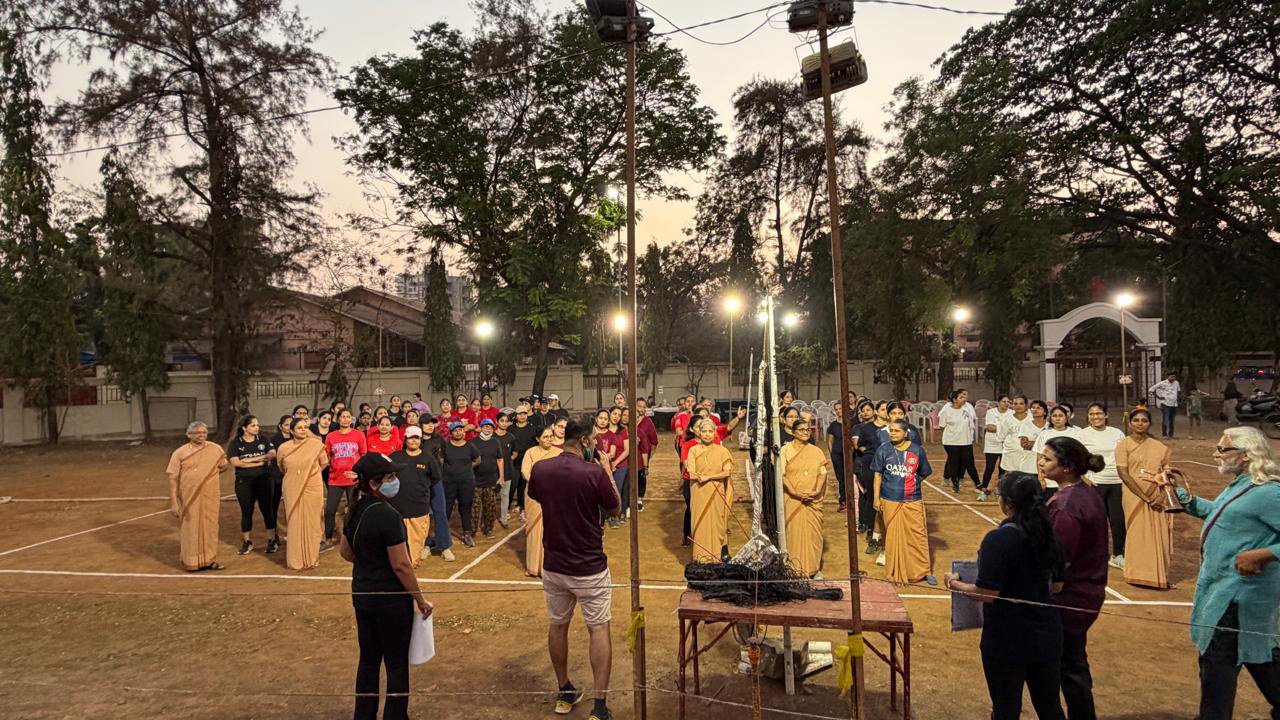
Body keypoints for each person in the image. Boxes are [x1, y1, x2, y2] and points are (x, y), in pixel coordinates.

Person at [1158, 426, 1280, 720]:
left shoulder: (1269, 492)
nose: (1216, 454)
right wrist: (1180, 496)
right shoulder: (1243, 485)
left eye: (1222, 449)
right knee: (1257, 657)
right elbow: (1222, 515)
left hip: (1239, 597)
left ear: (1246, 455)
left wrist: (1262, 554)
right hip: (1226, 590)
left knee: (1217, 665)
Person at [944, 472, 1066, 720]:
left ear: (1008, 503)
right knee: (1050, 707)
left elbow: (986, 593)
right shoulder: (1051, 536)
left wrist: (955, 584)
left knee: (1005, 709)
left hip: (1007, 638)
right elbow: (1057, 587)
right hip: (1046, 635)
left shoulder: (999, 539)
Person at [528, 420, 621, 720]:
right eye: (593, 439)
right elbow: (615, 508)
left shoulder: (541, 469)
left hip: (554, 565)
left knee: (558, 625)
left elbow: (537, 495)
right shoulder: (593, 472)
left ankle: (564, 689)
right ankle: (599, 707)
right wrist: (606, 469)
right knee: (599, 628)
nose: (596, 443)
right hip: (589, 566)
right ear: (583, 442)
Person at [339, 452, 433, 720]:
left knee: (368, 660)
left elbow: (346, 552)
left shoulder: (353, 509)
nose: (395, 481)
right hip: (391, 601)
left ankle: (364, 715)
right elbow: (401, 565)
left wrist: (369, 561)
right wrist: (420, 599)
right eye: (390, 477)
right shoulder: (388, 515)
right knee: (396, 663)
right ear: (373, 483)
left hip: (363, 595)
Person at [1041, 437, 1109, 720]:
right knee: (1073, 663)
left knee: (1068, 667)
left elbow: (1059, 560)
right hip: (1086, 590)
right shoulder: (1084, 492)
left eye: (1047, 459)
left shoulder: (1067, 506)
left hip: (1071, 596)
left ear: (1067, 467)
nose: (1041, 463)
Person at [871, 418, 936, 584]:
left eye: (897, 431)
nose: (892, 433)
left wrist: (911, 482)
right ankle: (895, 570)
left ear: (906, 433)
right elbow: (877, 475)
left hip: (912, 499)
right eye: (891, 430)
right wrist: (876, 498)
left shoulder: (917, 451)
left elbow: (924, 473)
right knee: (893, 537)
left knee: (917, 536)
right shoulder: (883, 449)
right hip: (889, 499)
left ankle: (923, 571)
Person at [1115, 408, 1173, 589]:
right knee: (1136, 533)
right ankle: (1136, 574)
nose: (1140, 424)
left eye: (1144, 421)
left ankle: (1158, 575)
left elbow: (1168, 473)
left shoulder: (1158, 446)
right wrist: (1146, 499)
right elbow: (1123, 474)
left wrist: (1161, 496)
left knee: (1158, 534)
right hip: (1134, 496)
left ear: (1149, 424)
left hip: (1158, 496)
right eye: (1136, 420)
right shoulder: (1123, 445)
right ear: (1130, 423)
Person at [165, 421, 228, 572]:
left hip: (211, 495)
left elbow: (223, 465)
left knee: (210, 526)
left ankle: (209, 560)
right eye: (198, 433)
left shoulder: (215, 449)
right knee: (191, 527)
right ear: (189, 434)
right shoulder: (180, 453)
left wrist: (208, 476)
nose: (201, 435)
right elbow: (172, 478)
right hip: (189, 496)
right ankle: (191, 561)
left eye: (204, 432)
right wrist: (174, 502)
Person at [1078, 403, 1127, 569]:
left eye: (1099, 413)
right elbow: (1076, 458)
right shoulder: (1082, 434)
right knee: (1096, 521)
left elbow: (1124, 455)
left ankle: (1118, 554)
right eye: (1091, 414)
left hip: (1117, 482)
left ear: (1106, 415)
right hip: (1095, 483)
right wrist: (1084, 478)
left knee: (1118, 520)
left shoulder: (1117, 433)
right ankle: (1096, 555)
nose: (1095, 417)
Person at [277, 417, 328, 570]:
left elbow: (324, 462)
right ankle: (296, 560)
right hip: (292, 486)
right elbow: (282, 467)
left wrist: (310, 474)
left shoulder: (316, 445)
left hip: (313, 486)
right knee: (294, 520)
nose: (303, 430)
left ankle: (311, 558)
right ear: (291, 431)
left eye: (305, 427)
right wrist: (297, 476)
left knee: (313, 520)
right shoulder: (283, 448)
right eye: (299, 428)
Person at [781, 418, 829, 578]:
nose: (806, 432)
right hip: (793, 499)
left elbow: (822, 473)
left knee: (814, 534)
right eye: (801, 430)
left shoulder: (816, 451)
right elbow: (782, 475)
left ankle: (813, 569)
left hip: (813, 499)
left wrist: (816, 491)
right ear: (793, 432)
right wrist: (794, 492)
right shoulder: (785, 450)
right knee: (793, 533)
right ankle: (794, 568)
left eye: (808, 430)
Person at [226, 415, 279, 555]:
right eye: (253, 425)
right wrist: (260, 462)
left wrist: (248, 460)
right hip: (244, 482)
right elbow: (236, 463)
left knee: (267, 510)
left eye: (257, 425)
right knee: (246, 511)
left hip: (264, 480)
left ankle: (272, 540)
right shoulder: (235, 443)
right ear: (244, 428)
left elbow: (272, 454)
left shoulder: (263, 439)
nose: (257, 428)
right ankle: (247, 542)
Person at [686, 417, 736, 563]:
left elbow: (727, 472)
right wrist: (702, 477)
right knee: (699, 524)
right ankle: (700, 558)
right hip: (699, 492)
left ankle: (716, 556)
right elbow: (691, 473)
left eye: (710, 431)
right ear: (699, 433)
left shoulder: (723, 451)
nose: (707, 434)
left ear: (715, 432)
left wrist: (708, 477)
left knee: (717, 524)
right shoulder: (693, 450)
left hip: (717, 492)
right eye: (704, 431)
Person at [389, 426, 436, 569]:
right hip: (397, 507)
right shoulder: (395, 457)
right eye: (411, 438)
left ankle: (410, 566)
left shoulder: (428, 458)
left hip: (419, 507)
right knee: (397, 541)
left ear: (420, 440)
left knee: (416, 543)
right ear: (405, 439)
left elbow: (435, 478)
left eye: (416, 438)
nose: (414, 441)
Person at [521, 426, 563, 577]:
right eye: (545, 437)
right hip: (534, 494)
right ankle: (533, 567)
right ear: (537, 439)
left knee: (553, 529)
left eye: (551, 436)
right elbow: (525, 471)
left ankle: (551, 567)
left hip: (554, 495)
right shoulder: (530, 452)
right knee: (534, 529)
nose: (549, 439)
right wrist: (538, 484)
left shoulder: (559, 453)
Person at [325, 410, 367, 547]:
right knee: (330, 510)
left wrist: (359, 474)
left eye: (348, 417)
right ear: (338, 419)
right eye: (343, 417)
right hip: (335, 479)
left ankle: (354, 537)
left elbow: (363, 455)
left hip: (353, 479)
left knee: (354, 509)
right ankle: (328, 538)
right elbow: (327, 457)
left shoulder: (359, 435)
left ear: (351, 419)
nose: (345, 419)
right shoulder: (331, 436)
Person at [420, 416, 455, 562]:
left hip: (436, 481)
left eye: (432, 423)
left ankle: (445, 546)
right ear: (420, 425)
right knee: (423, 514)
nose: (430, 426)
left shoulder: (439, 439)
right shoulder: (415, 440)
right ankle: (426, 545)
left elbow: (444, 459)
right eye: (426, 423)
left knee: (440, 512)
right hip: (420, 482)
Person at [852, 401, 886, 550]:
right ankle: (873, 530)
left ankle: (885, 531)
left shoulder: (893, 428)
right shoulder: (866, 428)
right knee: (873, 497)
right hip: (870, 466)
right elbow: (859, 445)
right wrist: (871, 453)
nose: (886, 412)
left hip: (888, 467)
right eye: (883, 409)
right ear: (876, 412)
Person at [442, 420, 481, 548]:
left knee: (465, 507)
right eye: (455, 430)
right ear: (451, 433)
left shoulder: (470, 446)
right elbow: (441, 461)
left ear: (463, 432)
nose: (458, 432)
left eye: (460, 430)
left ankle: (467, 534)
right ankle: (443, 533)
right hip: (449, 482)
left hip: (466, 482)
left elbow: (478, 460)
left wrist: (467, 468)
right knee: (447, 507)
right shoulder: (446, 446)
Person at [1033, 406, 1080, 499]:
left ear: (1066, 418)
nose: (1057, 418)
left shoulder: (1076, 433)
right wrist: (1041, 478)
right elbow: (1039, 457)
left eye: (1060, 416)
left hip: (1070, 480)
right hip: (1050, 481)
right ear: (1050, 418)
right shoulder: (1044, 434)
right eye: (1054, 416)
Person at [938, 388, 980, 493]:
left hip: (966, 442)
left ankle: (978, 484)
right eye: (961, 397)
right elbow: (942, 426)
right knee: (954, 463)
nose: (964, 399)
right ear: (954, 399)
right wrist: (954, 433)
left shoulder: (967, 409)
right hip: (951, 442)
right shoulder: (946, 411)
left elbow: (971, 423)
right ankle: (955, 484)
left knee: (970, 464)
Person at [471, 418, 505, 538]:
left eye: (490, 427)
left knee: (490, 507)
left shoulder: (495, 442)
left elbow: (500, 459)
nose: (488, 429)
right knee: (474, 508)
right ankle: (472, 531)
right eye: (485, 426)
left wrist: (501, 477)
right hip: (475, 481)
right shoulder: (473, 442)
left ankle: (488, 529)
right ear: (481, 428)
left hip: (491, 480)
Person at [508, 404, 539, 517]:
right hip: (513, 462)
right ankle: (507, 508)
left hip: (526, 462)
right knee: (512, 485)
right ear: (516, 415)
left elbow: (535, 445)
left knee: (523, 485)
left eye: (524, 413)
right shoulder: (510, 429)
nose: (522, 416)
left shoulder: (532, 429)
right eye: (520, 414)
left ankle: (521, 506)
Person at [980, 394, 1013, 500]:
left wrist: (998, 427)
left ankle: (1000, 489)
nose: (1006, 404)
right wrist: (1005, 428)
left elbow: (1011, 428)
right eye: (1004, 401)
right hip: (991, 444)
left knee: (1002, 468)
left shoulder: (1012, 413)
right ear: (998, 402)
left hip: (1006, 444)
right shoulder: (991, 412)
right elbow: (990, 428)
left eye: (1008, 402)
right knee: (989, 467)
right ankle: (983, 489)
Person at [634, 397, 658, 513]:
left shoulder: (648, 422)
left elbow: (654, 441)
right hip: (629, 454)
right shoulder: (629, 419)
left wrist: (649, 456)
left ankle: (639, 499)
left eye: (644, 407)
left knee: (641, 476)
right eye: (639, 406)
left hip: (643, 455)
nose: (642, 409)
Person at [494, 411, 517, 528]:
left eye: (506, 421)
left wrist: (507, 461)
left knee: (505, 496)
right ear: (496, 422)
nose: (504, 423)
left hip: (507, 471)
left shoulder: (511, 437)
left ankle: (504, 519)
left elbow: (515, 453)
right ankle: (489, 520)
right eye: (501, 421)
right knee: (491, 497)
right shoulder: (492, 437)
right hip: (493, 472)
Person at [826, 403, 850, 513]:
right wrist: (832, 454)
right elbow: (829, 441)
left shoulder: (850, 423)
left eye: (841, 408)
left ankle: (852, 500)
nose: (839, 411)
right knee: (841, 479)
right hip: (837, 455)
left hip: (849, 455)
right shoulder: (833, 425)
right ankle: (843, 502)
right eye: (837, 409)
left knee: (849, 478)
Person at [1148, 370, 1181, 439]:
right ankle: (1164, 434)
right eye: (1171, 376)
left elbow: (1178, 391)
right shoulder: (1163, 383)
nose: (1173, 378)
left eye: (1174, 376)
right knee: (1166, 419)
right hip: (1165, 404)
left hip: (1174, 404)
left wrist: (1177, 400)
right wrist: (1158, 397)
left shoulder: (1176, 383)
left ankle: (1171, 435)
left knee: (1172, 420)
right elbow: (1151, 389)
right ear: (1168, 377)